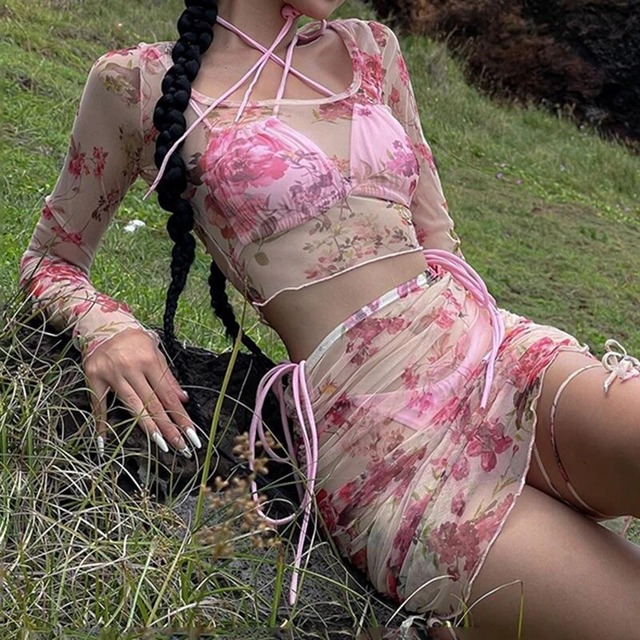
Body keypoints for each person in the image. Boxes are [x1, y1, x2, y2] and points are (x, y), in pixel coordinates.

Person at [19, 0, 640, 637]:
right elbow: (50, 258)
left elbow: (439, 242)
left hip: (489, 360)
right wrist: (106, 326)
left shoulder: (371, 51)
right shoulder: (136, 84)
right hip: (378, 440)